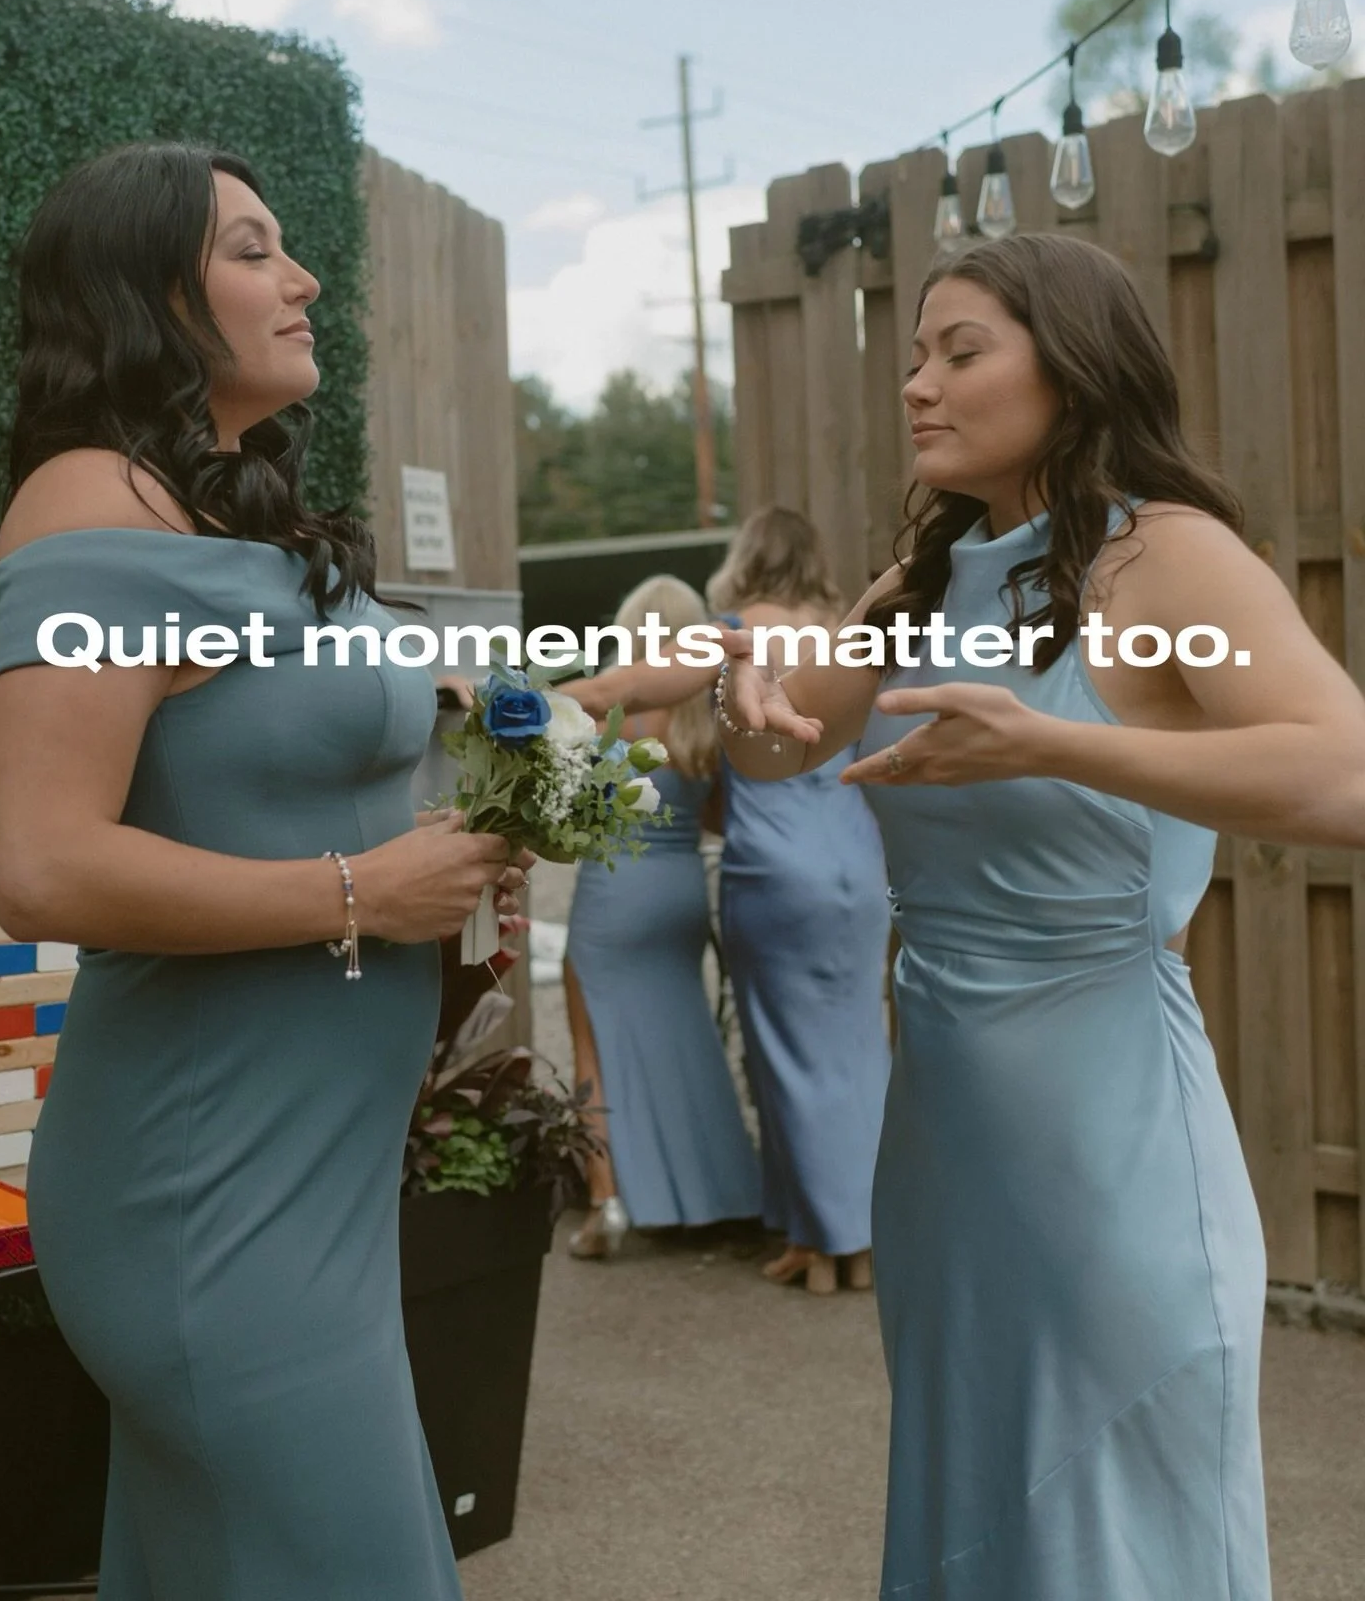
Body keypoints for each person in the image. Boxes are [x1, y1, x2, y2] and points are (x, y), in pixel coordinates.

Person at [713, 233, 1365, 1597]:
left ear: (1072, 369)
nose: (918, 386)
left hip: (1111, 1141)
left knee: (1116, 1528)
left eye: (961, 352)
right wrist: (751, 697)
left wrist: (1055, 744)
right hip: (950, 1147)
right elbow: (787, 750)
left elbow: (1346, 774)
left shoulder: (1166, 562)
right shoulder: (922, 583)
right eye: (913, 357)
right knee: (980, 1500)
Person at [0, 142, 529, 1601]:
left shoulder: (220, 516)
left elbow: (288, 763)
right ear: (150, 294)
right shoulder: (94, 514)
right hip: (204, 1190)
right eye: (254, 250)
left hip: (308, 1181)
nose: (304, 277)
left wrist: (513, 790)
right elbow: (36, 864)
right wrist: (363, 894)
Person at [566, 509, 891, 1296]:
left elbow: (626, 685)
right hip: (858, 854)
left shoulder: (740, 630)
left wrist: (519, 702)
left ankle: (824, 1241)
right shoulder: (853, 633)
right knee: (858, 1047)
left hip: (777, 864)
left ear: (745, 561)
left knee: (788, 1053)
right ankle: (857, 1235)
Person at [563, 575, 761, 1257]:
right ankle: (716, 1191)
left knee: (595, 1047)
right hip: (680, 886)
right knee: (685, 1032)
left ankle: (605, 1204)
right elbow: (714, 813)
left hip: (615, 888)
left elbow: (567, 804)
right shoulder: (704, 712)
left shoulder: (607, 709)